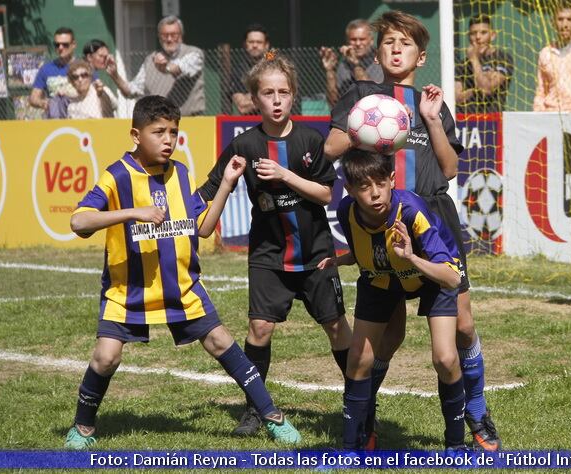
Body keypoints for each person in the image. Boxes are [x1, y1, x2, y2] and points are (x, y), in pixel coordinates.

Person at [63, 95, 301, 450]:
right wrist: (132, 213)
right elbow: (78, 221)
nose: (168, 140)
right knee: (106, 356)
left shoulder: (180, 172)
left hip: (182, 287)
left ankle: (272, 416)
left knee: (221, 341)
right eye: (158, 132)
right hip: (129, 289)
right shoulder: (117, 175)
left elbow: (201, 228)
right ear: (135, 134)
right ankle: (82, 428)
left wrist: (226, 184)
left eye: (173, 132)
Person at [324, 10, 501, 452]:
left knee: (461, 324)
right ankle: (365, 417)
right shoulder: (360, 93)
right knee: (391, 333)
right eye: (388, 42)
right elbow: (330, 148)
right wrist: (361, 122)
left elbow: (449, 168)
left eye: (405, 43)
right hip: (380, 222)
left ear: (421, 56)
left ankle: (476, 411)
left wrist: (432, 119)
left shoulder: (432, 102)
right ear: (378, 52)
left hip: (433, 218)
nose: (396, 48)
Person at [198, 52, 351, 437]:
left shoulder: (310, 140)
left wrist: (284, 174)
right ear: (254, 98)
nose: (277, 100)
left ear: (294, 95)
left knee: (336, 327)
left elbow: (325, 195)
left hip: (317, 254)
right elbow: (208, 191)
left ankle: (358, 402)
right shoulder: (244, 145)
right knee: (260, 328)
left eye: (284, 92)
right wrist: (173, 209)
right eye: (268, 93)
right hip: (268, 255)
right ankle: (255, 409)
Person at [318, 150, 466, 451]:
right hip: (382, 280)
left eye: (381, 184)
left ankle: (456, 445)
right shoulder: (348, 212)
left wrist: (411, 256)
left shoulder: (411, 212)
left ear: (392, 181)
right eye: (364, 186)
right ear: (349, 190)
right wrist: (344, 259)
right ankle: (352, 446)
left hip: (432, 277)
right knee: (359, 358)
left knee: (446, 359)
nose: (374, 193)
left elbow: (452, 278)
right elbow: (368, 250)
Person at [108, 16, 205, 116]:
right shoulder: (150, 60)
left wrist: (166, 67)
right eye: (165, 35)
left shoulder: (194, 53)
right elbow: (131, 91)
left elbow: (181, 68)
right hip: (159, 123)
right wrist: (115, 75)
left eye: (173, 35)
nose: (169, 39)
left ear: (181, 35)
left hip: (191, 121)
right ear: (159, 37)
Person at [455, 14, 515, 114]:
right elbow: (456, 97)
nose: (478, 37)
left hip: (492, 120)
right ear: (468, 36)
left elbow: (486, 89)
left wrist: (474, 60)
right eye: (473, 33)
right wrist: (477, 87)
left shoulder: (502, 58)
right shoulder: (462, 65)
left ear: (492, 36)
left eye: (483, 33)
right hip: (465, 121)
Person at [319, 19, 384, 107]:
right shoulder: (344, 64)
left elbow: (372, 95)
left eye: (362, 39)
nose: (357, 43)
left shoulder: (380, 61)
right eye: (353, 39)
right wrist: (330, 71)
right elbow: (333, 101)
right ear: (347, 41)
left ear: (371, 40)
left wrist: (355, 65)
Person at [30, 27, 89, 117]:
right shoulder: (46, 69)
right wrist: (43, 103)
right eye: (57, 45)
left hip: (79, 116)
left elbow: (94, 92)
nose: (60, 48)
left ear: (74, 45)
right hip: (54, 118)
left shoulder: (84, 67)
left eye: (65, 45)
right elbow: (33, 98)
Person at [230, 23, 271, 115]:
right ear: (245, 44)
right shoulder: (239, 71)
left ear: (266, 45)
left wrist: (250, 96)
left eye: (259, 42)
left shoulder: (275, 66)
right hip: (250, 123)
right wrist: (268, 95)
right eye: (251, 42)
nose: (255, 45)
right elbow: (242, 107)